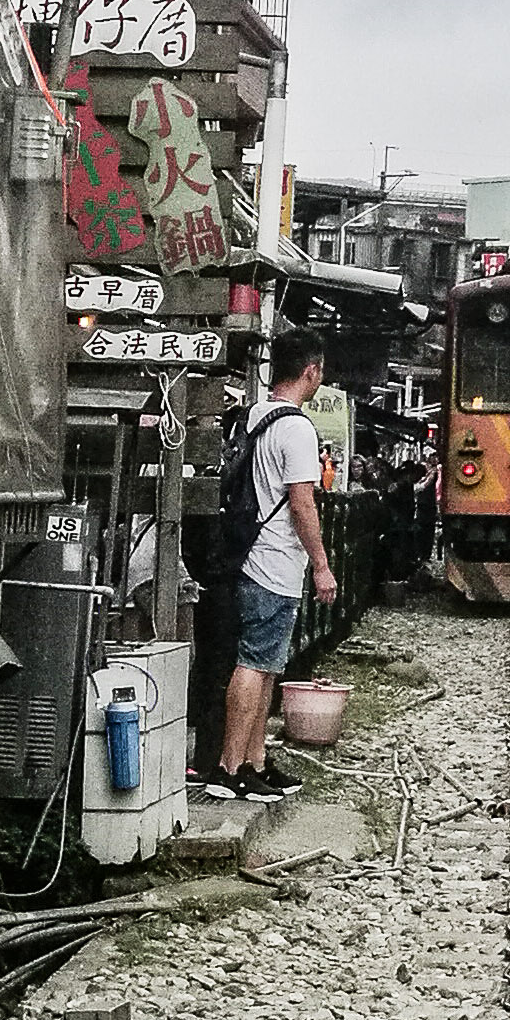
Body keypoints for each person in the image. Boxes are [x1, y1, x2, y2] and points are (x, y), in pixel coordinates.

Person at [218, 328, 337, 798]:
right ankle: (231, 766)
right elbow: (302, 504)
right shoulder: (298, 428)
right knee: (254, 662)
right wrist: (323, 566)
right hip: (273, 560)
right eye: (320, 371)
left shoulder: (253, 416)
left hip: (252, 555)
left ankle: (255, 760)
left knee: (266, 663)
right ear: (311, 371)